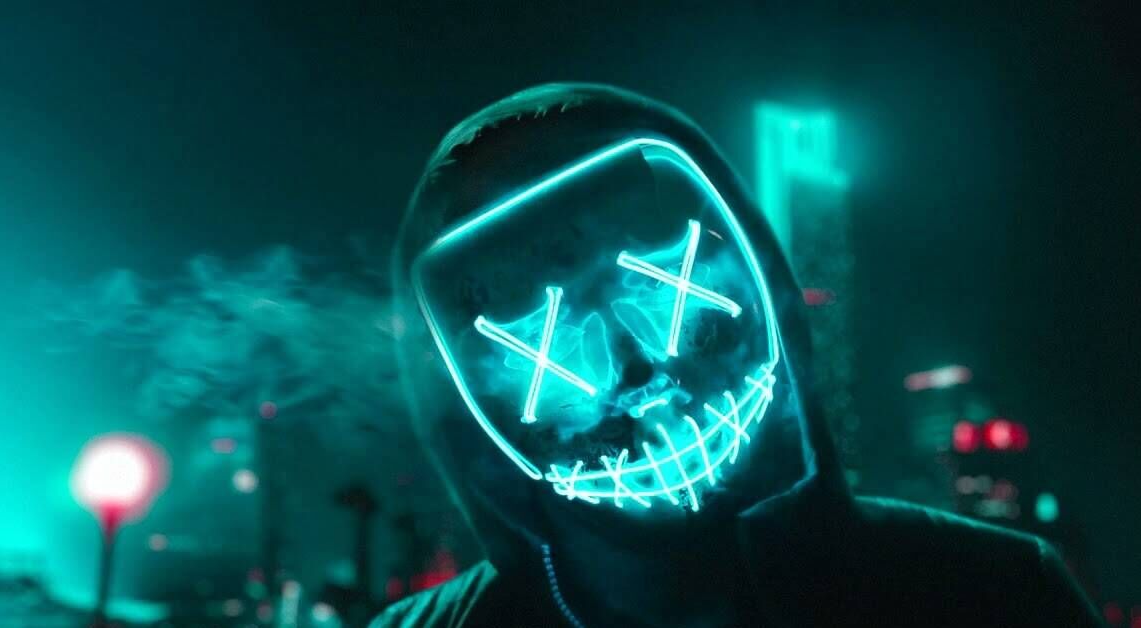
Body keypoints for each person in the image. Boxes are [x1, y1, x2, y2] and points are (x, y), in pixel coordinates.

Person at [374, 83, 1101, 627]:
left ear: (765, 285)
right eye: (551, 336)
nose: (641, 375)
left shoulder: (993, 596)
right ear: (463, 408)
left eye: (666, 292)